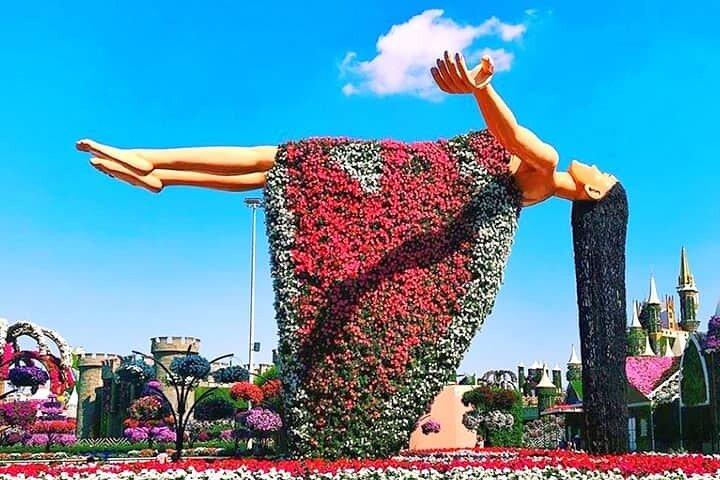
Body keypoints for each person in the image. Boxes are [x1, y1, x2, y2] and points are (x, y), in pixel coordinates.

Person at [76, 52, 617, 205]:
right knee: (277, 175)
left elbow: (512, 135)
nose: (598, 165)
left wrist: (482, 90)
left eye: (604, 175)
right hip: (404, 187)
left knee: (274, 158)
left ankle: (153, 159)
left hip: (396, 174)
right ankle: (162, 174)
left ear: (592, 191)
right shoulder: (529, 192)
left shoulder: (545, 167)